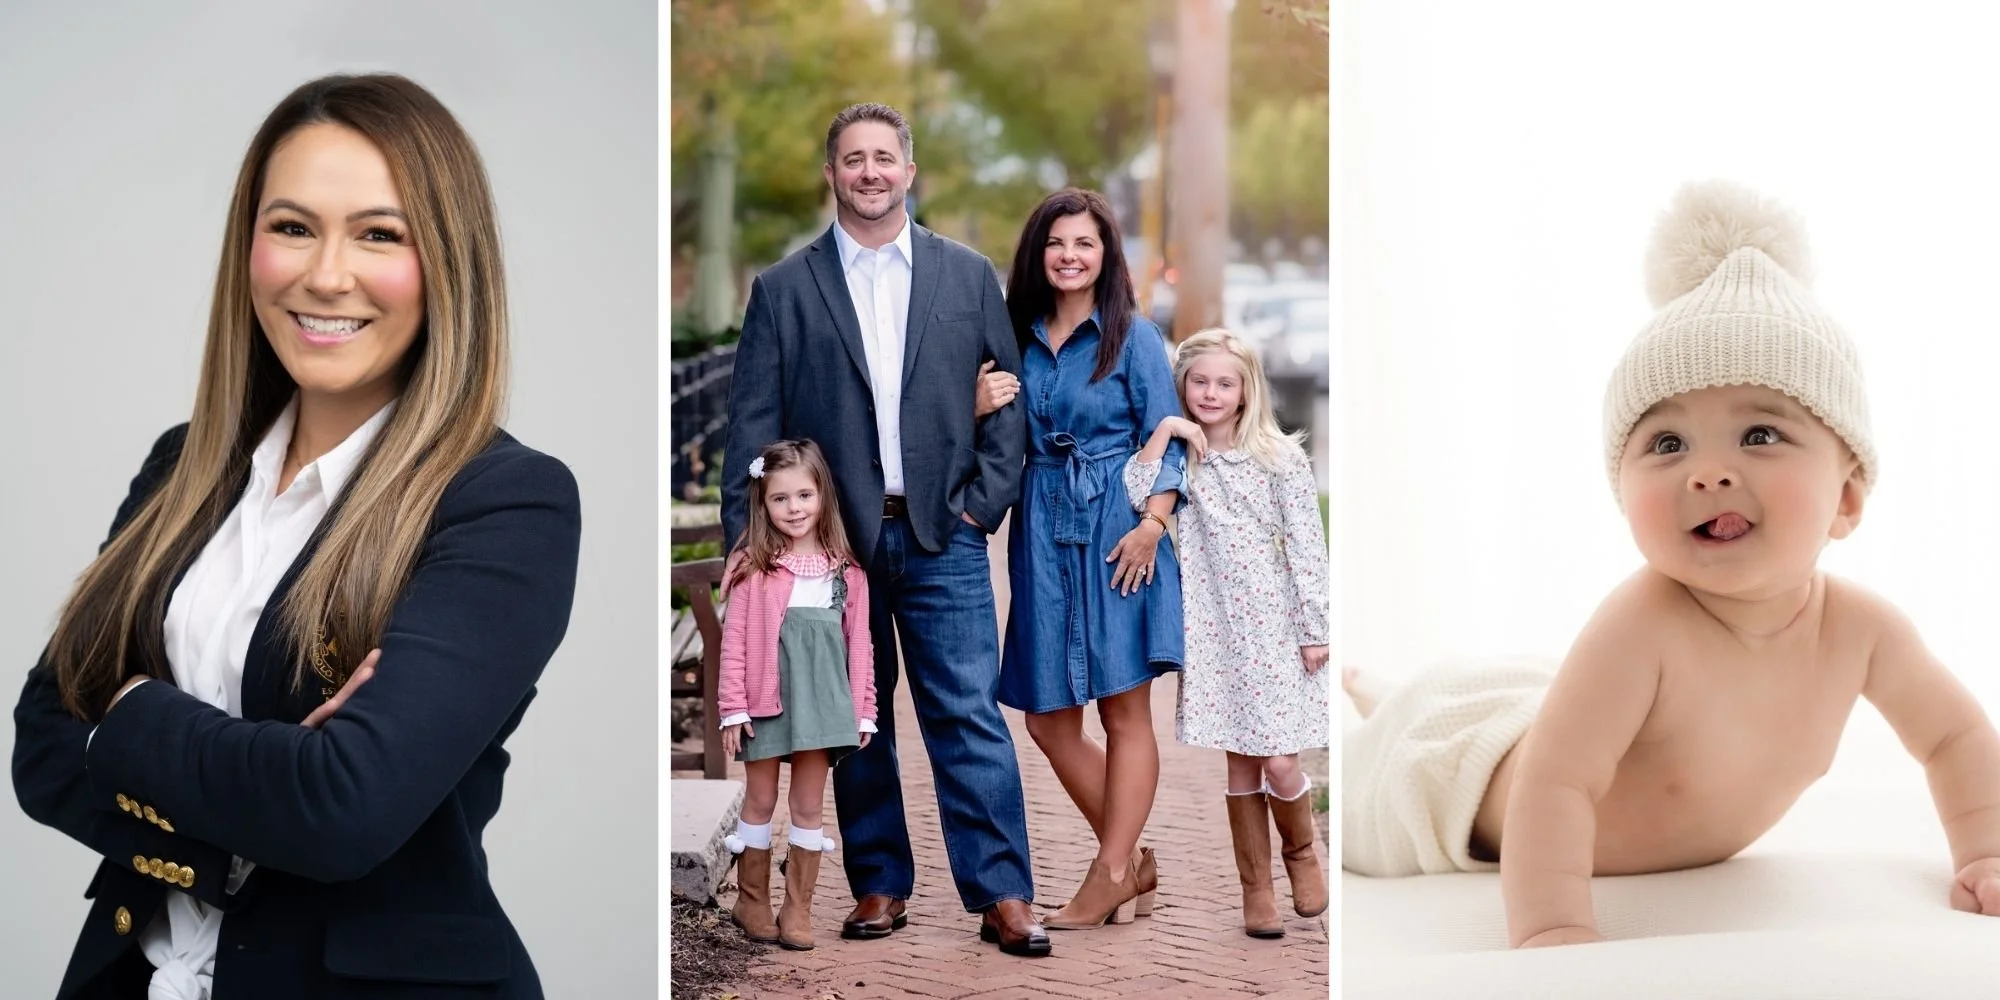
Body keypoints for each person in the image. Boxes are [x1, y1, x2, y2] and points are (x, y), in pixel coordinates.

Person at [10, 73, 580, 998]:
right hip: (134, 973)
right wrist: (272, 778)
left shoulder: (505, 502)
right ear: (249, 246)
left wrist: (123, 714)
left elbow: (341, 808)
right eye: (292, 226)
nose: (326, 274)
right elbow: (39, 747)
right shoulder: (182, 465)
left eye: (379, 234)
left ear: (447, 261)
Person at [1340, 181, 2000, 948]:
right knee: (1406, 739)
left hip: (1553, 710)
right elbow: (1557, 783)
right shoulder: (1641, 624)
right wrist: (1552, 929)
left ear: (1847, 497)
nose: (1709, 472)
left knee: (1532, 695)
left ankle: (1378, 690)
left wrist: (1986, 850)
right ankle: (1378, 702)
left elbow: (1955, 738)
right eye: (1667, 444)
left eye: (1759, 435)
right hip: (1452, 786)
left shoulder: (1865, 632)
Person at [720, 102, 1047, 957]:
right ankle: (878, 885)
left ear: (909, 171)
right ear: (831, 174)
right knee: (852, 722)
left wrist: (981, 506)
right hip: (828, 552)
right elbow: (751, 428)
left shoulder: (967, 275)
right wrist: (748, 550)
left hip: (945, 536)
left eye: (883, 158)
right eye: (852, 159)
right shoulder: (785, 290)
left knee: (968, 714)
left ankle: (1003, 892)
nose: (869, 171)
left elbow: (1007, 405)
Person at [996, 187, 1185, 930]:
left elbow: (1166, 435)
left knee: (1124, 708)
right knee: (1048, 717)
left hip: (1118, 526)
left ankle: (1110, 870)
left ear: (1106, 254)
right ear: (1037, 254)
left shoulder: (1132, 337)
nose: (1070, 256)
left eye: (1085, 243)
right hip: (1042, 523)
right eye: (1057, 243)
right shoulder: (1015, 334)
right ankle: (1131, 860)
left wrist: (1154, 525)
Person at [1125, 328, 1330, 938]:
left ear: (1246, 392)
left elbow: (1306, 547)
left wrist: (1314, 626)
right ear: (1182, 386)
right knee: (1240, 766)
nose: (1211, 393)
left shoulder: (1278, 458)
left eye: (1224, 383)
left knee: (1279, 760)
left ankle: (1302, 854)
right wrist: (1166, 432)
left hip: (1271, 623)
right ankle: (1257, 894)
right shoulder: (1181, 462)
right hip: (1212, 628)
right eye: (1199, 382)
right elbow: (1137, 494)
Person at [716, 439, 877, 953]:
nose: (794, 508)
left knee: (808, 804)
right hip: (765, 703)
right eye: (779, 499)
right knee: (760, 798)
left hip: (824, 706)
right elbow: (736, 643)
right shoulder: (752, 567)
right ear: (763, 505)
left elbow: (861, 648)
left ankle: (798, 909)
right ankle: (752, 901)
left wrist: (864, 709)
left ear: (822, 496)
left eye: (804, 495)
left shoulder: (846, 572)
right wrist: (732, 708)